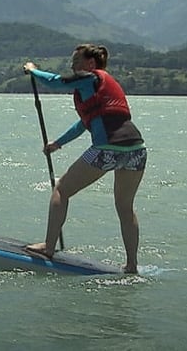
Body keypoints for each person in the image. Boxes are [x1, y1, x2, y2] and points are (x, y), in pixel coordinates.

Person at [23, 44, 147, 274]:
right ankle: (132, 265)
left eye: (76, 61)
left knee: (61, 189)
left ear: (90, 64)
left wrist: (33, 70)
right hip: (136, 150)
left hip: (107, 149)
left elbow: (56, 82)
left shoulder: (89, 78)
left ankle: (48, 247)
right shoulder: (99, 88)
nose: (72, 66)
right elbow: (84, 123)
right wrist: (58, 143)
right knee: (125, 207)